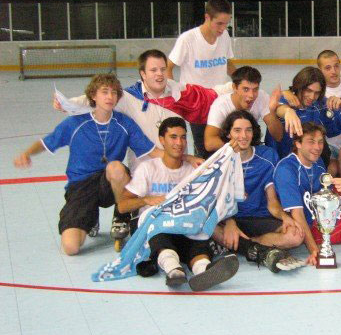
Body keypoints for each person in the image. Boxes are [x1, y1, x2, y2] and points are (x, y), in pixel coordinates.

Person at [54, 49, 227, 238]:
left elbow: (212, 94)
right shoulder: (129, 98)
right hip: (143, 174)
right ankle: (121, 213)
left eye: (162, 69)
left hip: (175, 168)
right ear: (143, 74)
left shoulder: (180, 94)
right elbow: (96, 101)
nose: (159, 74)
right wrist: (68, 103)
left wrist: (236, 88)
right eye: (153, 70)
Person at [14, 74, 163, 256]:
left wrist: (186, 159)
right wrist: (27, 153)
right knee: (70, 248)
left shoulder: (124, 123)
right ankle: (90, 219)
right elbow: (48, 142)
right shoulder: (75, 123)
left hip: (109, 183)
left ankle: (120, 216)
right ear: (93, 96)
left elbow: (152, 151)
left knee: (116, 168)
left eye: (114, 93)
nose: (110, 97)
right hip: (81, 185)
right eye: (104, 92)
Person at [117, 117, 239, 290]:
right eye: (173, 137)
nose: (179, 142)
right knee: (160, 234)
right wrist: (146, 200)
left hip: (182, 225)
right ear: (161, 140)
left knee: (197, 237)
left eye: (183, 137)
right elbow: (122, 206)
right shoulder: (148, 168)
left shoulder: (194, 171)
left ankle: (203, 270)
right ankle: (174, 271)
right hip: (154, 226)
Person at [210, 110, 305, 272]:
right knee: (207, 226)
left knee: (296, 236)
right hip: (231, 218)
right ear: (228, 134)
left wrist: (284, 217)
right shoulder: (219, 160)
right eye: (237, 130)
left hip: (259, 218)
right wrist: (230, 223)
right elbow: (216, 201)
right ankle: (257, 249)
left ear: (254, 132)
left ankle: (244, 245)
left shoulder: (267, 156)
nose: (243, 136)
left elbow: (272, 202)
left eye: (248, 130)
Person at [167, 0, 237, 156]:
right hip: (197, 104)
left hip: (220, 99)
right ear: (207, 17)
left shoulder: (224, 36)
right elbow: (169, 66)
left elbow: (227, 64)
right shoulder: (188, 39)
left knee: (225, 147)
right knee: (204, 151)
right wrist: (174, 95)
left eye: (226, 23)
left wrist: (241, 80)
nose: (223, 28)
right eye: (219, 23)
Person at [269, 67, 341, 170]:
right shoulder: (287, 98)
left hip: (309, 162)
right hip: (282, 161)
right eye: (308, 90)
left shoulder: (319, 104)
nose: (312, 96)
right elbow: (279, 108)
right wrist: (288, 111)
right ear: (299, 86)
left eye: (317, 92)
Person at [273, 122, 331, 266]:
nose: (317, 148)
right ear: (297, 144)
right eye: (311, 142)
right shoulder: (286, 168)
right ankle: (254, 243)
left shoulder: (319, 164)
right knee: (295, 237)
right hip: (284, 220)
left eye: (320, 142)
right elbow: (297, 214)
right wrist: (313, 250)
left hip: (310, 219)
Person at [204, 66, 283, 153]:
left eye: (255, 89)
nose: (251, 95)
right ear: (234, 87)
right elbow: (209, 143)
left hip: (248, 145)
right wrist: (237, 147)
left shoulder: (261, 97)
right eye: (246, 89)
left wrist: (272, 111)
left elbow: (278, 136)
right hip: (227, 150)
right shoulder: (220, 105)